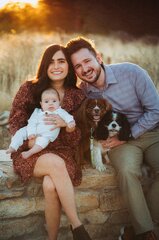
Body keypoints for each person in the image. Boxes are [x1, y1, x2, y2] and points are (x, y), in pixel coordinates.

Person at [66, 36, 159, 240]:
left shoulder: (132, 73)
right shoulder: (84, 92)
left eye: (87, 61)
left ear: (98, 57)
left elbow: (155, 111)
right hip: (116, 140)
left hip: (152, 132)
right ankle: (147, 233)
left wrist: (130, 135)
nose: (85, 69)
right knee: (126, 171)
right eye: (78, 66)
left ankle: (142, 230)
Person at [8, 44, 92, 240]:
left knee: (50, 186)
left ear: (68, 66)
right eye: (51, 62)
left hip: (64, 153)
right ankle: (77, 227)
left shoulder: (77, 95)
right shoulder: (30, 89)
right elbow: (15, 121)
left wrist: (66, 126)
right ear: (45, 65)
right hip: (33, 152)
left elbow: (80, 133)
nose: (56, 66)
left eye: (61, 61)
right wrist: (28, 142)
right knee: (54, 164)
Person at [7, 88, 75, 159]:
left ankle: (29, 152)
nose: (51, 103)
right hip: (34, 129)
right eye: (46, 101)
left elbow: (68, 117)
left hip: (47, 134)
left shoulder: (59, 111)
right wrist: (31, 133)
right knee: (20, 132)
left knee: (42, 142)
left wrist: (70, 122)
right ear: (41, 104)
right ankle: (13, 146)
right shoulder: (37, 112)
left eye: (54, 101)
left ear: (59, 102)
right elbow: (32, 122)